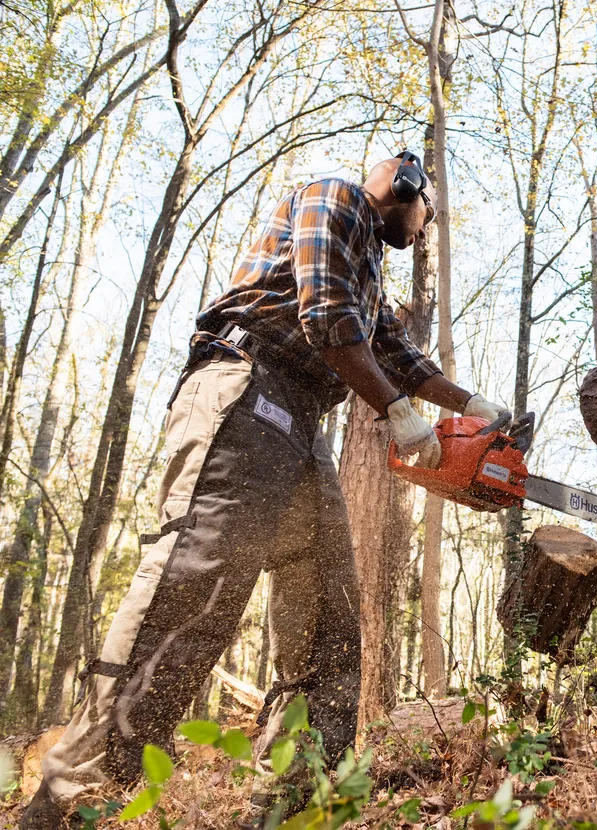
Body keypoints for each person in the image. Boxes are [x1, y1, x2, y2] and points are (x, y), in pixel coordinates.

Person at [20, 151, 507, 828]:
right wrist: (397, 412)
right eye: (427, 216)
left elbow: (399, 355)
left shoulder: (369, 267)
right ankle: (77, 800)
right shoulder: (335, 199)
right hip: (245, 388)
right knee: (194, 588)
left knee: (328, 622)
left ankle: (291, 801)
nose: (425, 231)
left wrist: (477, 408)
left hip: (304, 421)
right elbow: (324, 315)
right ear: (404, 186)